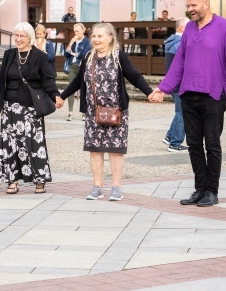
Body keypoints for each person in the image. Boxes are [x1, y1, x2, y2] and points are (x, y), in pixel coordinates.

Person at [150, 0, 226, 207]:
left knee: (212, 144)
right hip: (188, 94)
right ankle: (199, 189)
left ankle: (212, 191)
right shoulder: (190, 28)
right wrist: (163, 88)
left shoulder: (224, 27)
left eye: (194, 5)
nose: (190, 9)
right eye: (188, 6)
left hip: (213, 94)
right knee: (193, 145)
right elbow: (179, 63)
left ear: (206, 4)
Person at [56, 22, 153, 201]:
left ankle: (116, 187)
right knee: (95, 150)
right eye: (94, 36)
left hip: (117, 111)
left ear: (110, 38)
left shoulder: (119, 56)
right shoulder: (88, 57)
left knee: (116, 150)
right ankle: (97, 186)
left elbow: (134, 76)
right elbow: (78, 81)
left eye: (100, 36)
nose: (96, 39)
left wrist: (150, 92)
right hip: (93, 112)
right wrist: (62, 96)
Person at [0, 22, 59, 195]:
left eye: (22, 36)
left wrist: (56, 96)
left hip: (30, 109)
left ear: (30, 37)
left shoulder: (40, 56)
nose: (18, 39)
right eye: (16, 35)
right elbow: (0, 81)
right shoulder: (9, 55)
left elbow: (48, 81)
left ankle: (39, 179)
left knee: (34, 144)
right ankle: (12, 180)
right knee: (10, 145)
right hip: (9, 108)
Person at [162, 17, 189, 152]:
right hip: (181, 83)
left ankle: (169, 136)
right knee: (182, 113)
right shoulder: (181, 44)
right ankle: (175, 143)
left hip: (173, 82)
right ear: (183, 28)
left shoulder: (171, 42)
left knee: (180, 112)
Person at [64, 23, 91, 121]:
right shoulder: (73, 42)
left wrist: (73, 53)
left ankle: (84, 112)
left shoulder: (87, 42)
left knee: (84, 88)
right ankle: (70, 112)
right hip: (72, 66)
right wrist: (71, 43)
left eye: (78, 31)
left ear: (83, 31)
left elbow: (84, 54)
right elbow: (66, 54)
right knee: (70, 88)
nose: (76, 33)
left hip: (82, 67)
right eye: (74, 31)